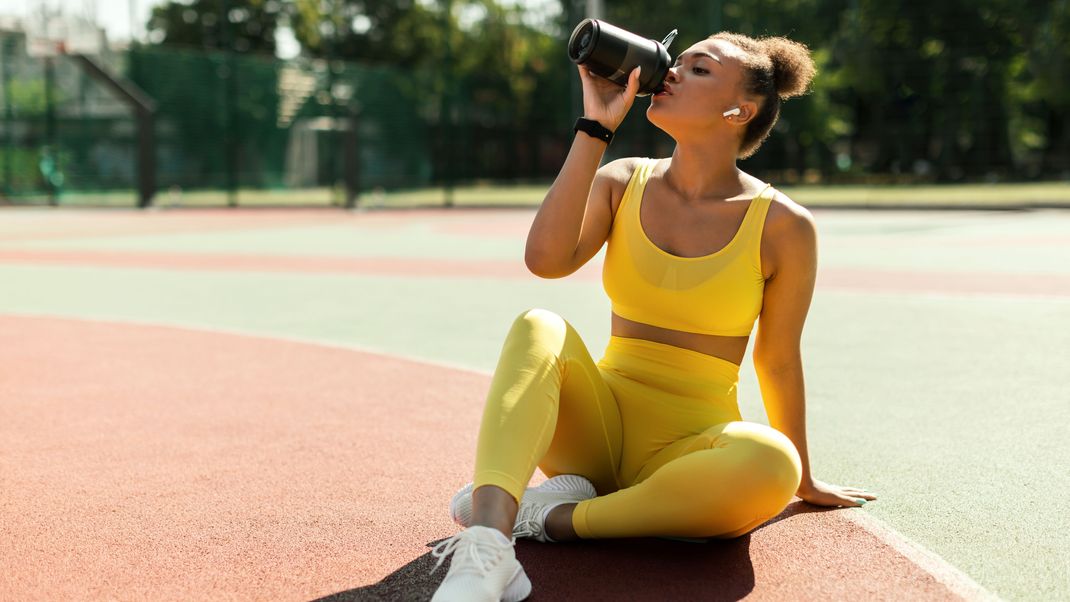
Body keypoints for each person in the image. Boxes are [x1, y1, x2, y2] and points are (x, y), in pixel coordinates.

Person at [429, 31, 878, 602]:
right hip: (595, 434)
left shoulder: (784, 226)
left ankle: (549, 519)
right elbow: (544, 261)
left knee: (772, 461)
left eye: (698, 69)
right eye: (677, 58)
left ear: (739, 110)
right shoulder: (622, 180)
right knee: (539, 323)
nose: (670, 70)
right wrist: (595, 127)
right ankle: (487, 546)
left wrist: (804, 478)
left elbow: (778, 357)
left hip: (689, 453)